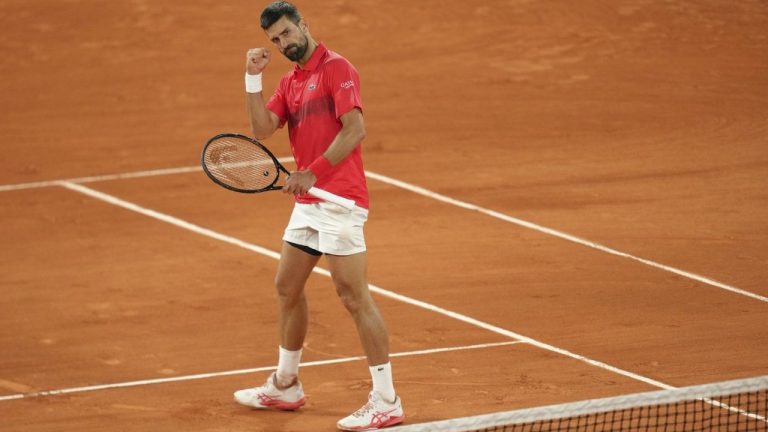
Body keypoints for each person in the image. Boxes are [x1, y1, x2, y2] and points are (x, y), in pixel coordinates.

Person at [232, 2, 404, 430]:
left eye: (288, 33)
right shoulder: (290, 82)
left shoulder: (337, 68)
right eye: (275, 40)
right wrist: (253, 76)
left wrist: (313, 173)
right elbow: (261, 128)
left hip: (340, 201)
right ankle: (285, 384)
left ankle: (387, 400)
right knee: (287, 286)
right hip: (309, 204)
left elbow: (355, 129)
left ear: (303, 25)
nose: (283, 43)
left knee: (352, 296)